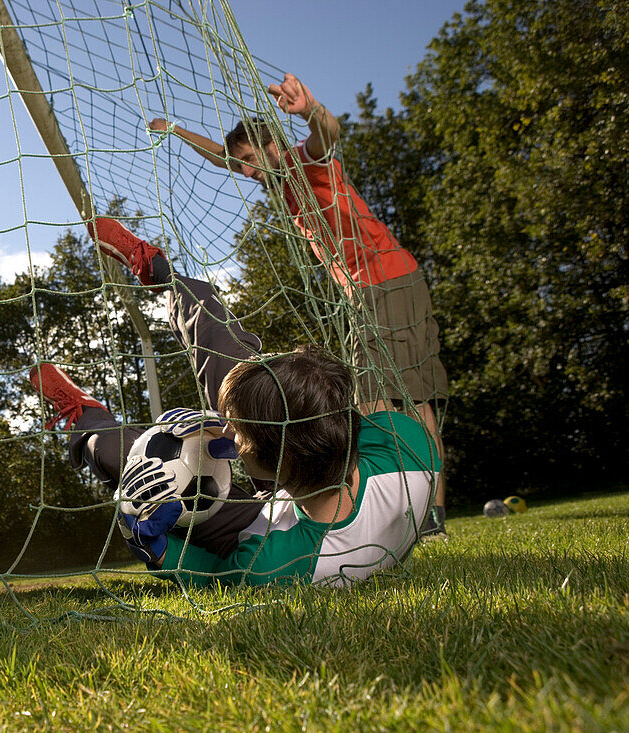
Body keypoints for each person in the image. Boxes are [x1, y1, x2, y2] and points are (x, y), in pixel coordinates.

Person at [29, 217, 439, 587]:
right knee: (238, 371)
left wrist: (157, 550)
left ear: (270, 463)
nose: (223, 427)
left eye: (235, 431)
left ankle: (86, 416)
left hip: (261, 521)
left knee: (134, 462)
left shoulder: (273, 565)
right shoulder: (411, 451)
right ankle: (164, 277)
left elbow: (208, 572)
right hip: (311, 478)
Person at [148, 72, 449, 538]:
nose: (246, 171)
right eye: (241, 164)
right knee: (412, 398)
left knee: (373, 400)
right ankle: (429, 517)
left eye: (251, 158)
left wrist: (309, 108)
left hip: (382, 280)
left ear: (271, 146)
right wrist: (176, 131)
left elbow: (326, 134)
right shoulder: (277, 181)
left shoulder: (299, 165)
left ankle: (395, 514)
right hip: (380, 284)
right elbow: (223, 158)